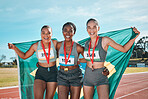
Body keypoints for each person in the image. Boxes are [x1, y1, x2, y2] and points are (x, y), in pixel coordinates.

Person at [83, 18, 140, 99]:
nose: (91, 30)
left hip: (101, 75)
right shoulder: (86, 43)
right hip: (88, 75)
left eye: (94, 27)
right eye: (89, 27)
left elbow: (124, 49)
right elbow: (87, 59)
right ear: (86, 29)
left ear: (98, 28)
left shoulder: (105, 40)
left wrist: (134, 37)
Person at [8, 25, 58, 99]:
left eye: (48, 33)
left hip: (53, 73)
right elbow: (24, 56)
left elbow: (65, 51)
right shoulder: (35, 46)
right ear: (40, 34)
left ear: (51, 34)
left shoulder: (55, 43)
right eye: (43, 33)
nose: (46, 35)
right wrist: (14, 48)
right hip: (41, 73)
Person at [56, 22, 85, 99]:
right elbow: (52, 56)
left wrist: (79, 60)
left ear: (74, 32)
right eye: (65, 30)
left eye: (70, 30)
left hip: (75, 75)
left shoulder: (79, 47)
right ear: (62, 32)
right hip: (62, 75)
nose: (67, 33)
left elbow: (90, 59)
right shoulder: (58, 45)